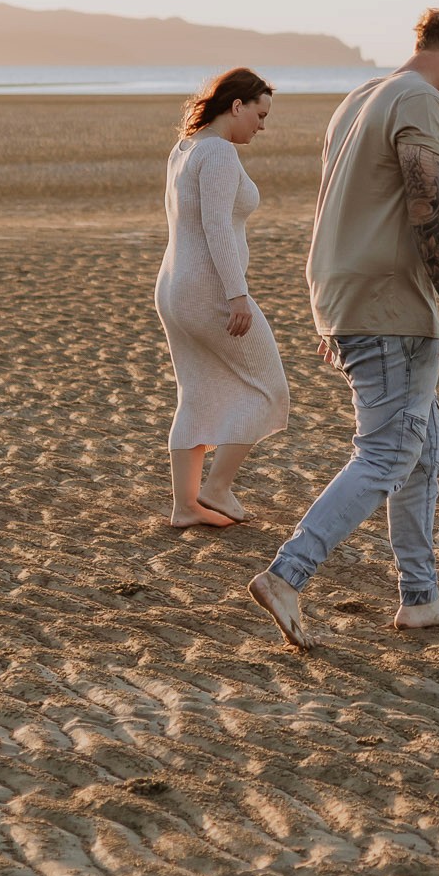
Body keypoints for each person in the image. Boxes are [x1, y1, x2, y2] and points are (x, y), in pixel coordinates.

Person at [248, 5, 439, 647]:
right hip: (390, 301)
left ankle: (420, 598)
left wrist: (336, 310)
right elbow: (424, 202)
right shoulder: (420, 101)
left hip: (347, 292)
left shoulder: (360, 98)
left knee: (423, 450)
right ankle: (288, 573)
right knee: (388, 451)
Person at [155, 67, 289, 531]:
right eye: (260, 113)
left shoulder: (185, 147)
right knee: (270, 388)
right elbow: (215, 228)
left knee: (195, 392)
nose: (262, 125)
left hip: (173, 286)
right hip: (208, 290)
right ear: (237, 106)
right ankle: (216, 488)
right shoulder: (218, 153)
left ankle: (185, 506)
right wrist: (238, 295)